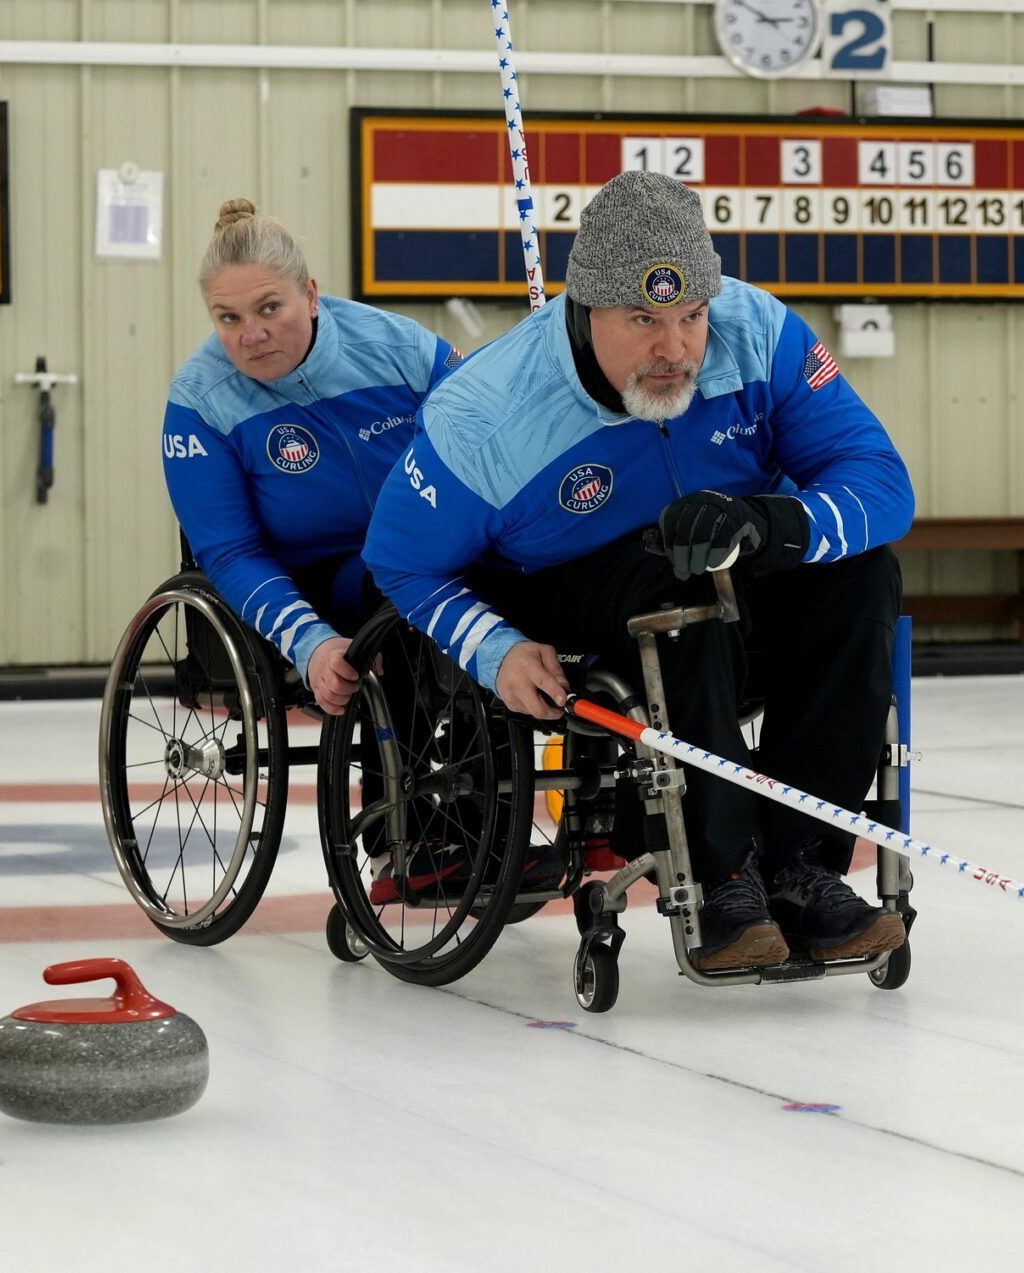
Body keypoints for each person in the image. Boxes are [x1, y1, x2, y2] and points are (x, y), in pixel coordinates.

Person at [363, 171, 914, 972]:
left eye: (693, 317)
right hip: (563, 585)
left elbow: (880, 480)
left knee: (862, 574)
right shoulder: (486, 414)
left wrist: (772, 522)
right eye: (645, 321)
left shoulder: (760, 333)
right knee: (681, 589)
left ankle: (802, 868)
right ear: (586, 310)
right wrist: (494, 649)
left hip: (725, 558)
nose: (676, 349)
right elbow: (398, 561)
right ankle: (724, 884)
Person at [162, 198, 461, 716]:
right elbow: (231, 553)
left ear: (312, 295)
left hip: (433, 548)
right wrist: (311, 643)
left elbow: (486, 441)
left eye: (270, 308)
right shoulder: (199, 402)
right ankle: (399, 793)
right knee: (397, 599)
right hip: (321, 579)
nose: (251, 336)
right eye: (227, 318)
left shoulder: (398, 346)